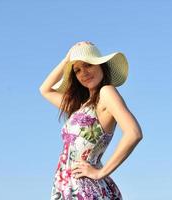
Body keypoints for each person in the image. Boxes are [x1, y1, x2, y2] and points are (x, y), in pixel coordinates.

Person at [39, 41, 143, 200]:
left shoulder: (106, 92)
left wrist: (101, 172)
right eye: (77, 70)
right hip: (66, 187)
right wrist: (68, 58)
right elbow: (45, 89)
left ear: (101, 66)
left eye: (88, 65)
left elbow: (134, 133)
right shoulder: (79, 107)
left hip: (86, 189)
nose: (84, 73)